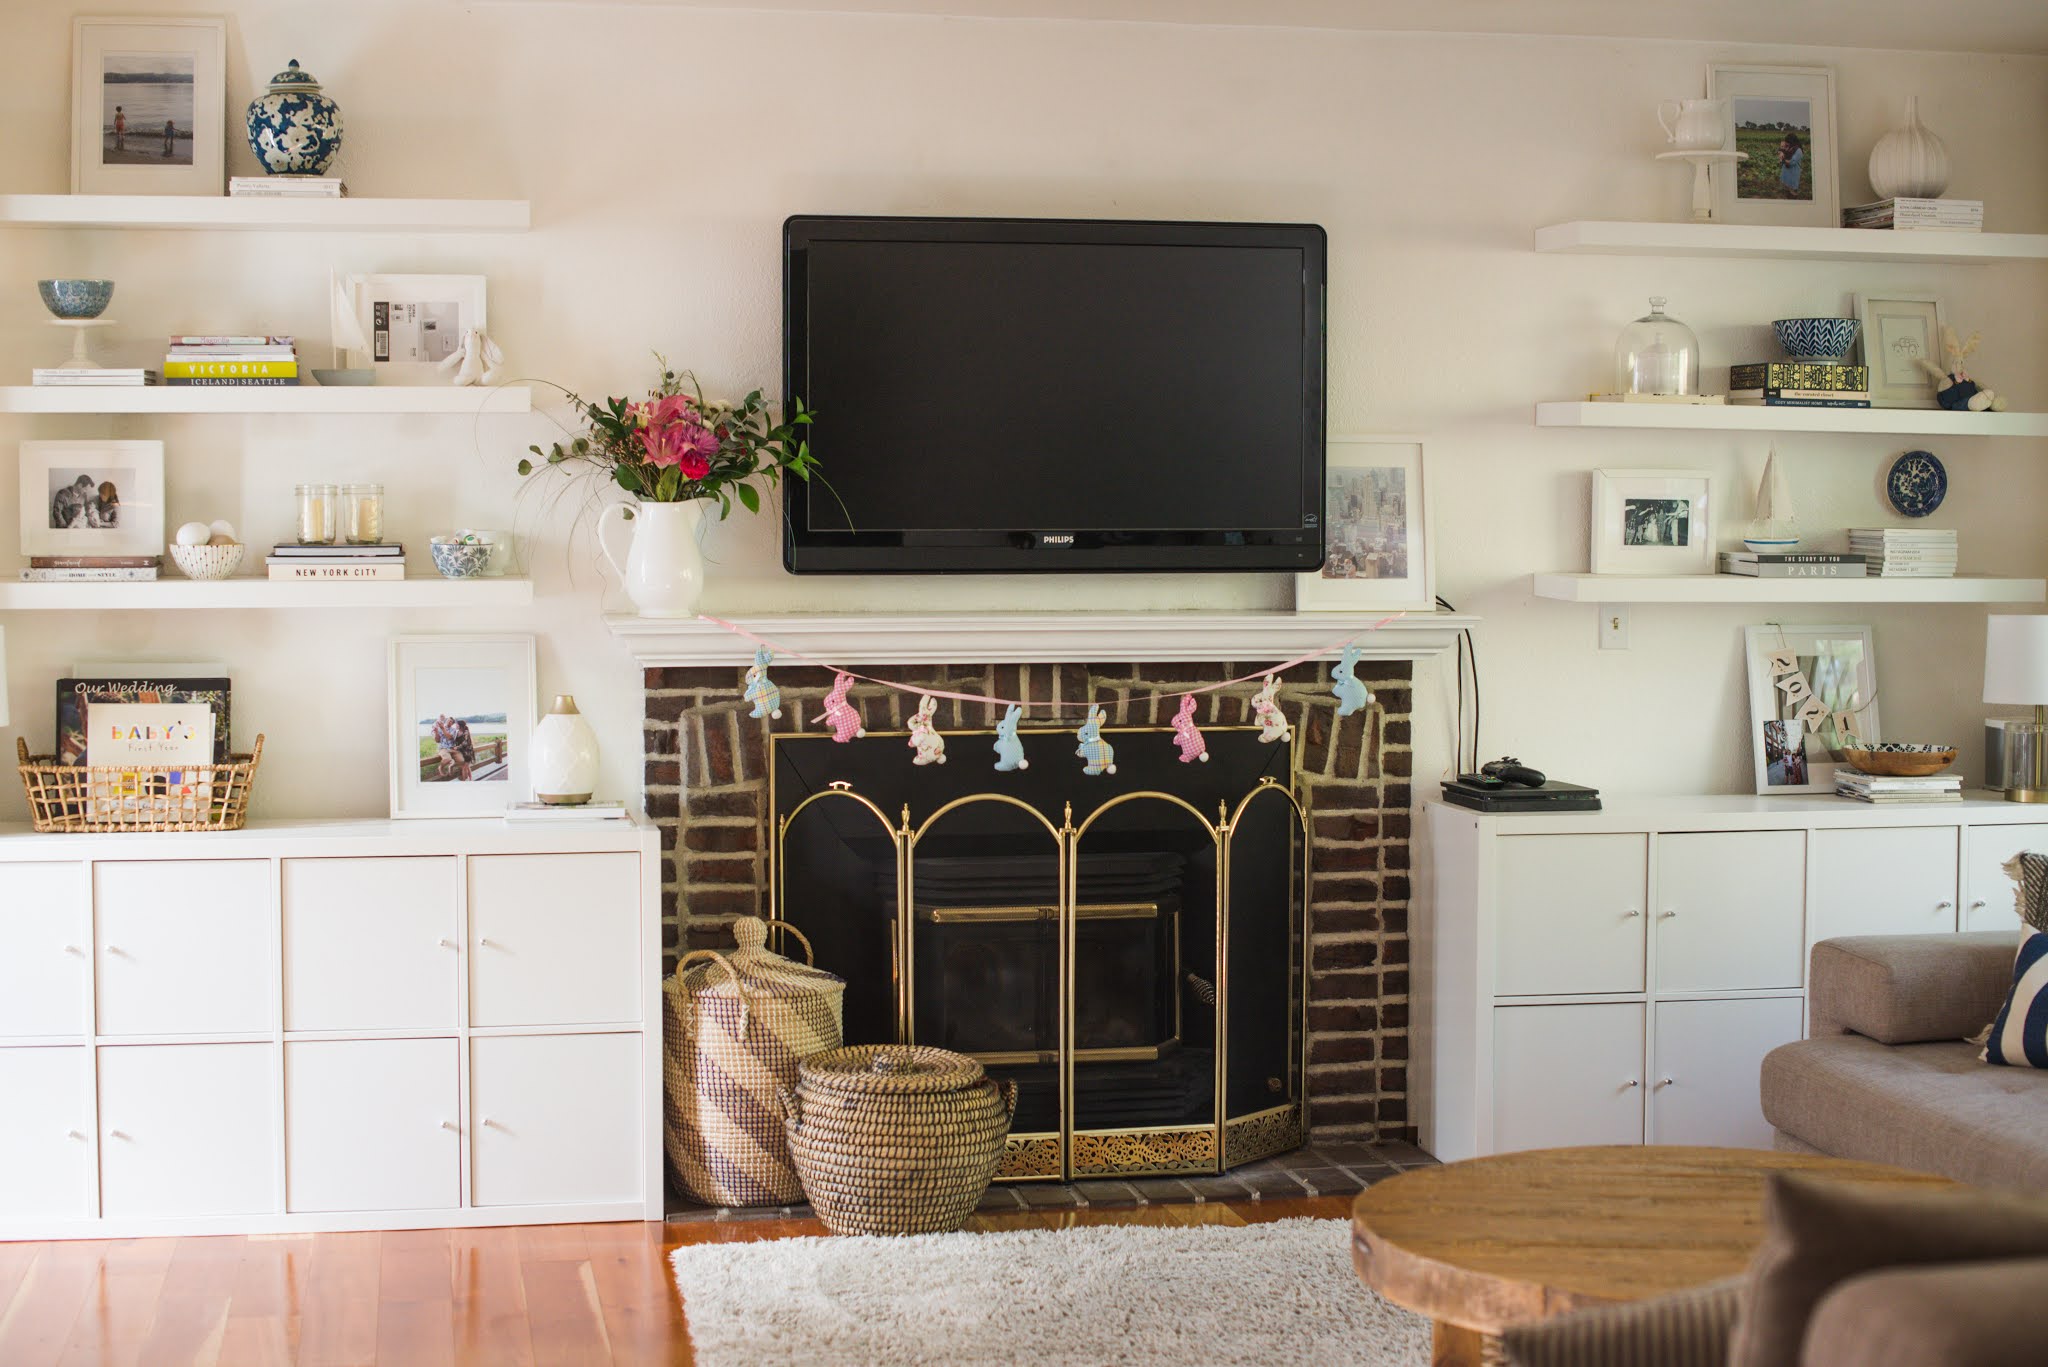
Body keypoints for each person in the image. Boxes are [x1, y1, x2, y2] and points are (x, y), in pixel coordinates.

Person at [1777, 130, 1805, 194]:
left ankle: (1793, 197)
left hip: (1793, 171)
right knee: (1787, 187)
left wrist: (1783, 159)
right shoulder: (1789, 147)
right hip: (1786, 170)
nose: (1786, 143)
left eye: (1788, 142)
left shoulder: (1798, 150)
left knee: (1792, 188)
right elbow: (1781, 151)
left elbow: (1792, 162)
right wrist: (1780, 152)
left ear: (1793, 142)